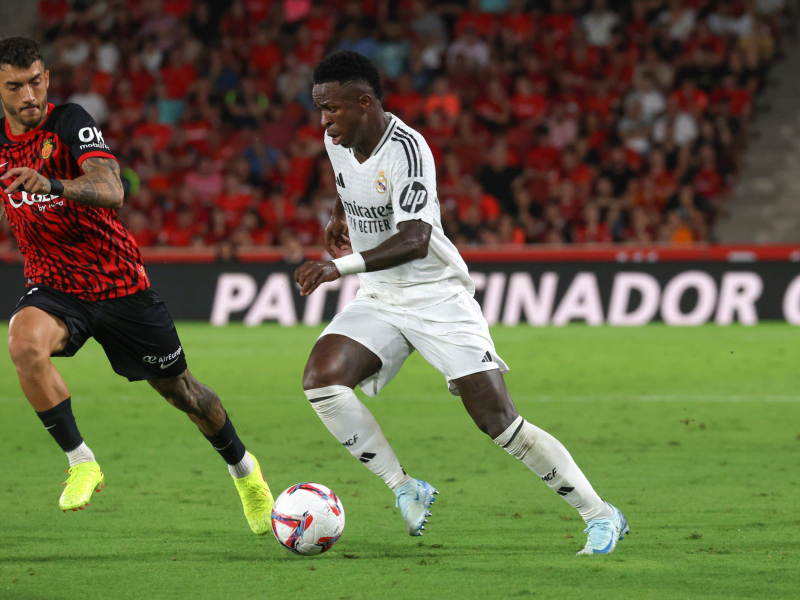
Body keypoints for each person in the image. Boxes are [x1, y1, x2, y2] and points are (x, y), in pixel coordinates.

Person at [295, 51, 629, 555]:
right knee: (321, 381)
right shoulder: (336, 139)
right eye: (320, 109)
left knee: (498, 421)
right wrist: (339, 215)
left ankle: (601, 515)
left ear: (365, 103)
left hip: (435, 297)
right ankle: (405, 487)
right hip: (381, 295)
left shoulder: (409, 150)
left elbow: (414, 239)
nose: (324, 121)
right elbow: (350, 179)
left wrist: (337, 267)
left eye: (332, 109)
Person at [0, 37, 273, 533]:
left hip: (119, 283)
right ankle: (81, 461)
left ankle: (244, 471)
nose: (30, 95)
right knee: (22, 343)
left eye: (36, 81)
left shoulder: (70, 121)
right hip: (55, 285)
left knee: (182, 392)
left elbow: (112, 189)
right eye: (15, 86)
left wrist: (54, 184)